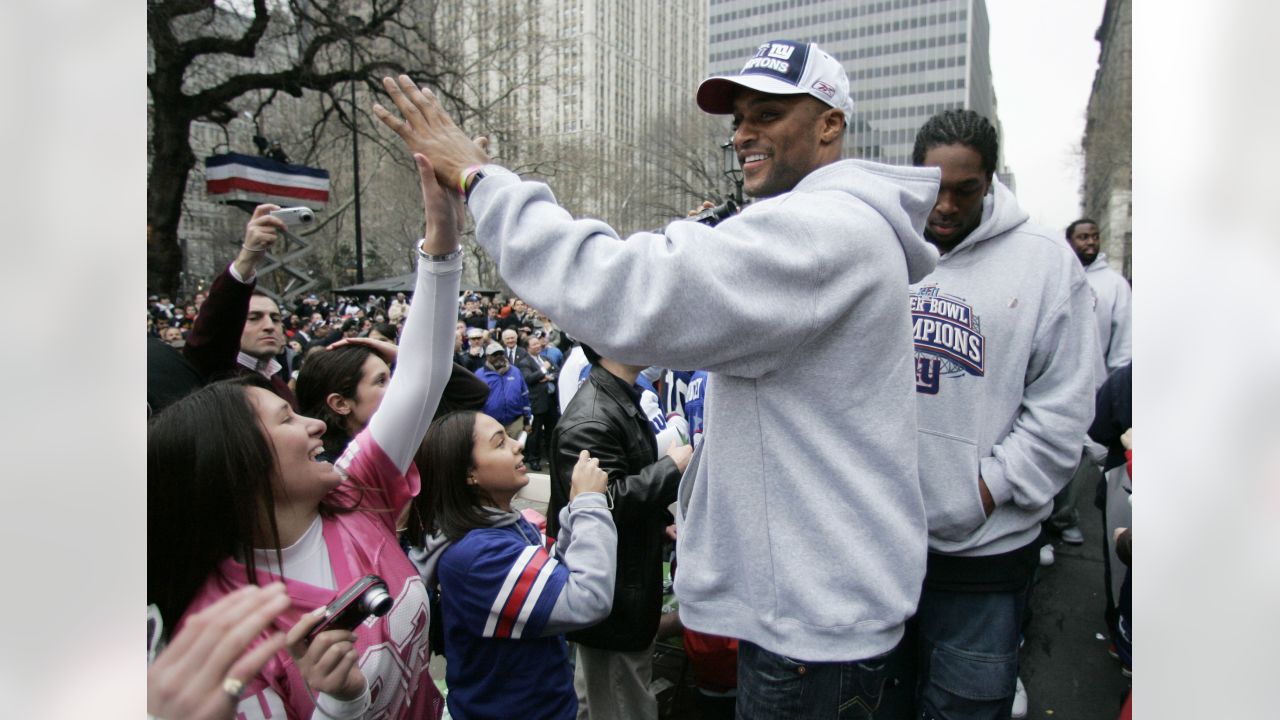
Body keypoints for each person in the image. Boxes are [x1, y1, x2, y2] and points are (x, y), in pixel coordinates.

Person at [373, 37, 940, 717]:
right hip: (813, 617)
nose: (744, 133)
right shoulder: (831, 229)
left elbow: (630, 290)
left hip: (814, 633)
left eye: (768, 112)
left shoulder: (822, 230)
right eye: (738, 118)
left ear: (830, 124)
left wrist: (482, 181)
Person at [148, 152, 460, 720]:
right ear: (238, 465)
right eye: (286, 421)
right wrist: (338, 706)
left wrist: (441, 241)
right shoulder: (221, 631)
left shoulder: (356, 488)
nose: (315, 422)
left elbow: (422, 376)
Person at [902, 109, 1096, 719]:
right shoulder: (881, 248)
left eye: (967, 189)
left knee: (964, 708)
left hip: (984, 558)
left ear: (991, 182)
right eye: (935, 187)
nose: (947, 206)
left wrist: (985, 489)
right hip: (880, 550)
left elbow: (1064, 407)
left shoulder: (1044, 261)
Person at [410, 411, 619, 719]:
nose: (517, 445)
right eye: (499, 443)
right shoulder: (477, 556)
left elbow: (552, 581)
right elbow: (588, 599)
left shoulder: (503, 524)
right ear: (470, 474)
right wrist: (589, 504)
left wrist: (575, 508)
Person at [546, 344, 691, 720]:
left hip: (625, 588)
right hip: (614, 601)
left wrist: (660, 524)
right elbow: (598, 505)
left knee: (602, 697)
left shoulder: (619, 397)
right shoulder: (592, 416)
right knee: (622, 702)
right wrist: (672, 469)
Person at [179, 205, 299, 409]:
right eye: (254, 318)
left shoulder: (279, 386)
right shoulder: (221, 377)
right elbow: (214, 324)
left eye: (276, 318)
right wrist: (248, 257)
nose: (269, 326)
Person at [517, 334, 560, 471]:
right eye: (534, 344)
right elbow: (529, 379)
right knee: (535, 433)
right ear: (527, 348)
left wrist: (547, 377)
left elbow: (558, 372)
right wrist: (543, 370)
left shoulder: (546, 358)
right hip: (537, 403)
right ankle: (533, 459)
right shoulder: (525, 362)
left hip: (551, 401)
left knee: (551, 431)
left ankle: (551, 457)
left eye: (538, 343)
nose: (538, 346)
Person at [477, 341, 531, 439]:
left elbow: (525, 396)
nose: (499, 357)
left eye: (501, 353)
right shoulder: (479, 375)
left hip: (515, 422)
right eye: (494, 355)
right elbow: (475, 401)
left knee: (516, 451)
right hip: (491, 424)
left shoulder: (515, 371)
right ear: (487, 357)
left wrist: (527, 420)